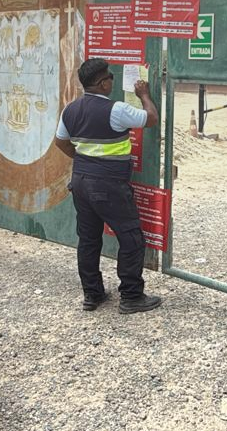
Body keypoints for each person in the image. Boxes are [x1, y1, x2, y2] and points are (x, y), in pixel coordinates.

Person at [54, 58, 161, 314]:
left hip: (80, 182)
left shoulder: (70, 109)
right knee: (131, 237)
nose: (112, 80)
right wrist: (144, 94)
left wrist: (85, 159)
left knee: (89, 239)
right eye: (110, 77)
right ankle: (132, 296)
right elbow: (152, 118)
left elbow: (61, 142)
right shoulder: (117, 110)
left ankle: (92, 294)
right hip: (108, 184)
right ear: (103, 84)